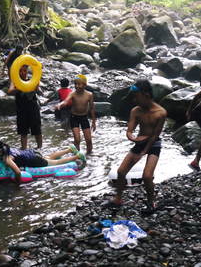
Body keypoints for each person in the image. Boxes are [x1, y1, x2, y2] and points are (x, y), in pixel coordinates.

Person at [107, 79, 167, 212]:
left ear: (146, 94)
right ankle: (118, 198)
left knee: (147, 176)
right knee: (121, 172)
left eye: (136, 96)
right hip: (140, 141)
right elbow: (130, 130)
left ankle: (151, 202)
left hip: (153, 144)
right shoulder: (136, 110)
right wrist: (132, 137)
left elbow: (155, 135)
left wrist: (144, 151)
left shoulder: (161, 113)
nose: (134, 100)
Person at [0, 139, 86, 184]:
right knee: (49, 157)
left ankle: (76, 156)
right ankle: (69, 150)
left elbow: (17, 172)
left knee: (54, 163)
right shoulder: (6, 150)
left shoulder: (7, 159)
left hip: (34, 160)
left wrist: (17, 183)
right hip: (32, 153)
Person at [55, 74, 96, 155]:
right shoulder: (72, 94)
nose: (77, 86)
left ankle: (89, 155)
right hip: (74, 118)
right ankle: (76, 156)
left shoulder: (89, 95)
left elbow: (91, 108)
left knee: (89, 140)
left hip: (84, 118)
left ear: (85, 85)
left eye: (79, 84)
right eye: (75, 84)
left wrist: (94, 122)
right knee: (77, 139)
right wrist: (60, 104)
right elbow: (66, 101)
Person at [8, 65, 42, 149]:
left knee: (37, 130)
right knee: (23, 131)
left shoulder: (32, 80)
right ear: (17, 72)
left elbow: (40, 92)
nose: (22, 73)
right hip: (21, 109)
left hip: (33, 108)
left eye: (24, 71)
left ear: (27, 71)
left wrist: (36, 87)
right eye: (20, 71)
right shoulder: (15, 81)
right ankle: (24, 149)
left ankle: (40, 148)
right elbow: (9, 91)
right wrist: (20, 87)